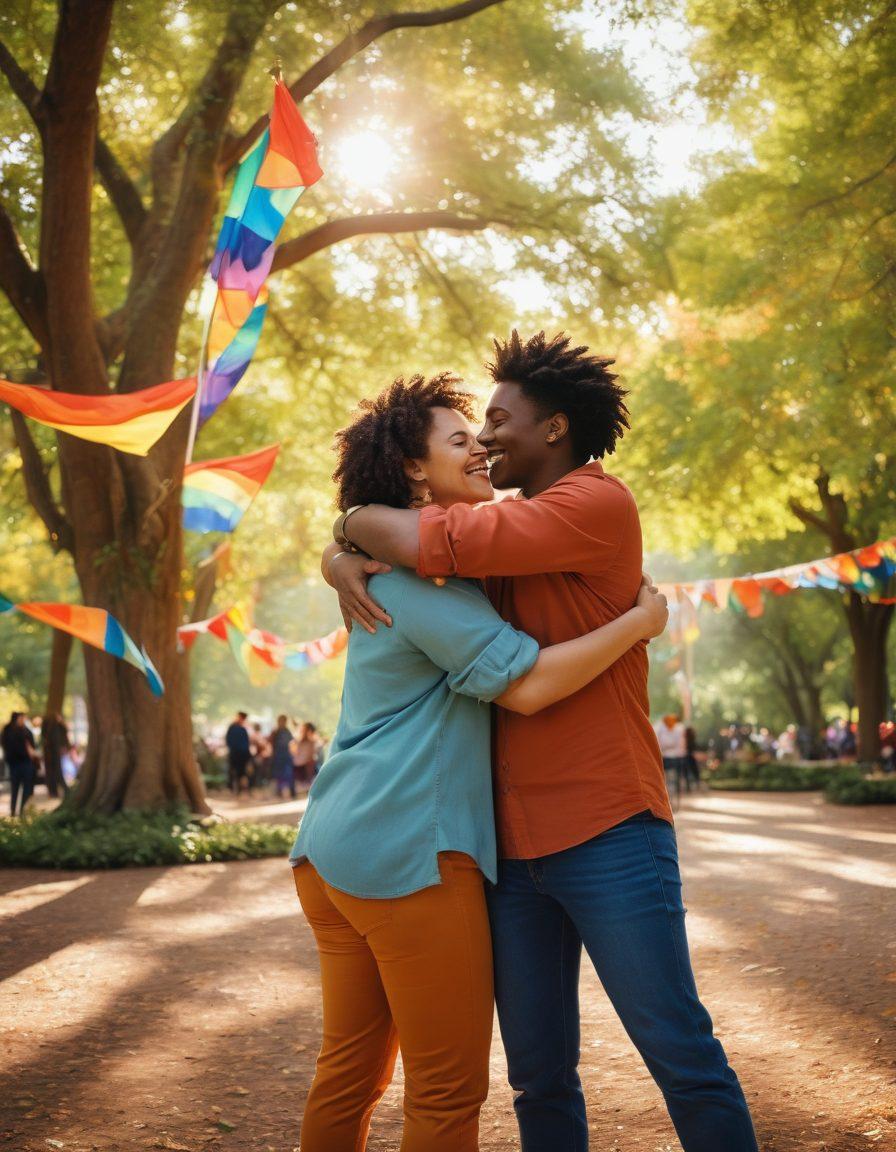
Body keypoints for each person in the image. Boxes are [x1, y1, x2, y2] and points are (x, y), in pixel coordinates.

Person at [329, 332, 758, 1152]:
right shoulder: (507, 526)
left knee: (681, 1054)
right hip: (509, 853)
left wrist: (349, 527)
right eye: (475, 426)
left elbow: (432, 541)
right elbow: (419, 536)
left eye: (499, 419)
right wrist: (338, 550)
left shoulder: (596, 507)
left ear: (554, 428)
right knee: (539, 1078)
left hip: (609, 829)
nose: (485, 437)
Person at [294, 372, 669, 1152]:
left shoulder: (412, 559)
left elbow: (392, 530)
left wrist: (341, 544)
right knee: (445, 1088)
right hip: (406, 851)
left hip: (332, 845)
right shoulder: (429, 585)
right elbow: (527, 688)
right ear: (411, 470)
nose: (483, 446)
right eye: (461, 439)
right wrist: (638, 623)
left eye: (488, 430)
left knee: (351, 1071)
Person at [1, 711, 40, 816]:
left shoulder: (26, 731)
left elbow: (32, 746)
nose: (23, 720)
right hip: (15, 763)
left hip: (26, 763)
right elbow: (6, 745)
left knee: (27, 788)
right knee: (15, 788)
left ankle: (22, 809)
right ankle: (13, 811)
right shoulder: (8, 730)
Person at [656, 712, 688, 795]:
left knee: (674, 773)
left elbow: (681, 744)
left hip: (675, 757)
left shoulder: (679, 728)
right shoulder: (659, 727)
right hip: (665, 756)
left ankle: (676, 787)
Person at [224, 711, 252, 794]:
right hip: (236, 753)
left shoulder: (241, 729)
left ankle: (239, 789)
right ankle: (234, 789)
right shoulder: (234, 728)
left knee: (240, 772)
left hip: (240, 754)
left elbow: (246, 743)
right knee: (235, 771)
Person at [270, 714, 296, 799]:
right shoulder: (276, 732)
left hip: (285, 755)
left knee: (287, 774)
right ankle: (280, 792)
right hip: (279, 756)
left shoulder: (286, 731)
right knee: (280, 775)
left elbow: (291, 744)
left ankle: (290, 792)